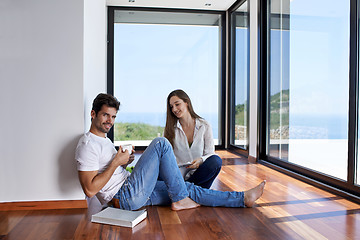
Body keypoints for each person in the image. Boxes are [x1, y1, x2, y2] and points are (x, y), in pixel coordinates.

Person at [75, 93, 265, 211]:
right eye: (105, 115)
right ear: (93, 114)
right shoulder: (87, 144)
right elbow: (90, 190)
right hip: (124, 197)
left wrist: (123, 162)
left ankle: (242, 198)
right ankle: (180, 200)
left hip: (131, 188)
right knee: (161, 143)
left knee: (187, 188)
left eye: (113, 116)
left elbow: (110, 170)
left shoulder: (104, 140)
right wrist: (116, 162)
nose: (110, 120)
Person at [164, 89, 222, 189]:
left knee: (216, 161)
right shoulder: (170, 129)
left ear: (187, 102)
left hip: (200, 176)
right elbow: (167, 158)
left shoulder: (204, 125)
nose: (174, 109)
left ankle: (186, 193)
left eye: (177, 104)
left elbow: (210, 153)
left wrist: (201, 160)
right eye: (171, 107)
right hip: (179, 178)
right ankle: (193, 193)